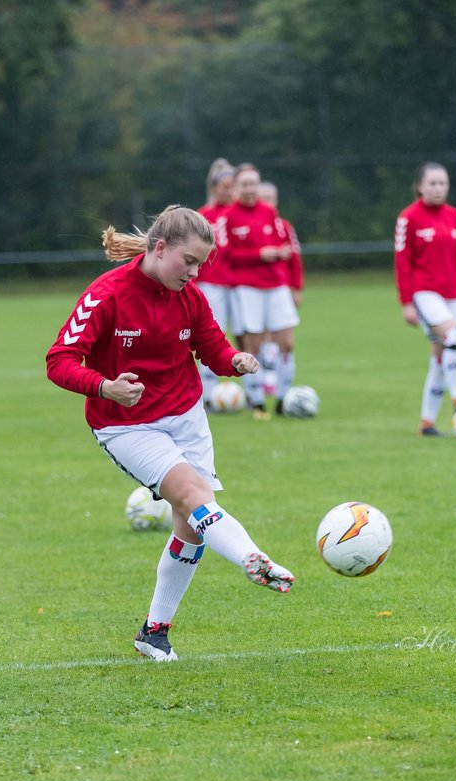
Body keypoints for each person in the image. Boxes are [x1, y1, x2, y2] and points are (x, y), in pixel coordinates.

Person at [45, 205, 296, 662]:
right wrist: (105, 387)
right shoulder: (108, 294)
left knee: (192, 527)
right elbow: (59, 359)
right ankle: (251, 558)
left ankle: (154, 632)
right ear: (160, 249)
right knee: (194, 496)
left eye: (202, 263)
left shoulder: (190, 296)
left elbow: (211, 346)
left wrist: (234, 361)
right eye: (190, 261)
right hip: (127, 424)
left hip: (185, 414)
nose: (196, 272)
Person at [394, 162, 456, 436]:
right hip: (424, 293)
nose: (438, 188)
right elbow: (402, 262)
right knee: (454, 336)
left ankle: (426, 423)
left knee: (440, 359)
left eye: (442, 183)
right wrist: (406, 302)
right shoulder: (409, 218)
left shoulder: (455, 217)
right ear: (420, 186)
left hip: (453, 294)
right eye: (432, 183)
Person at [222, 163, 299, 419]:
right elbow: (226, 254)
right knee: (252, 345)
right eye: (244, 184)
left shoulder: (269, 212)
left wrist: (280, 252)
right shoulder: (229, 217)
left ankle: (281, 398)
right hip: (248, 288)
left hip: (276, 285)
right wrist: (259, 255)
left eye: (253, 183)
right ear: (236, 188)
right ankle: (256, 401)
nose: (250, 189)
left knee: (286, 343)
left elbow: (283, 241)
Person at [256, 180, 304, 411]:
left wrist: (296, 287)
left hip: (280, 288)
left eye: (270, 198)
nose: (266, 202)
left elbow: (295, 259)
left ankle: (283, 397)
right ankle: (257, 393)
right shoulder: (251, 225)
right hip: (253, 289)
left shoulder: (284, 226)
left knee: (286, 341)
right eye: (261, 198)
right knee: (258, 340)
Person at [196, 158, 239, 408]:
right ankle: (209, 394)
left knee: (247, 335)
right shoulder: (204, 216)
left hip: (241, 283)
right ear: (214, 187)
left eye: (233, 186)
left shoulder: (238, 214)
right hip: (213, 284)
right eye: (226, 186)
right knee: (214, 334)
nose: (230, 191)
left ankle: (260, 388)